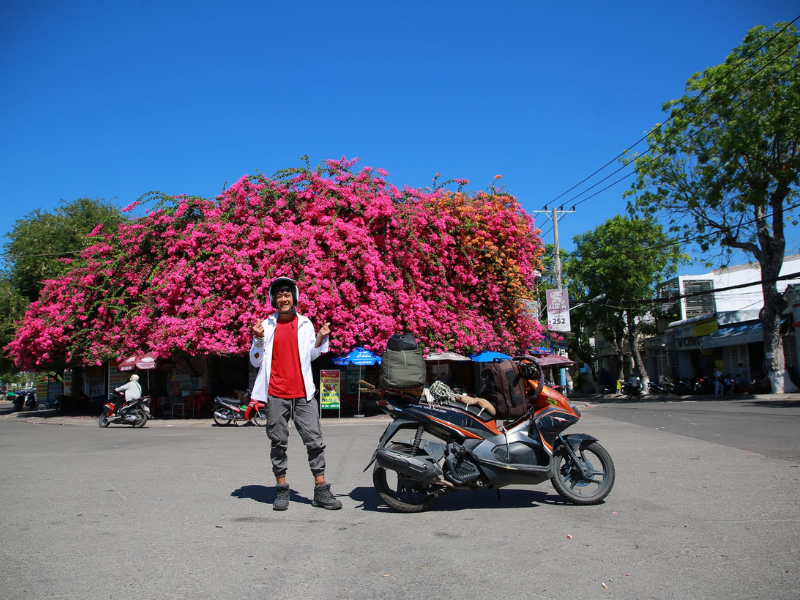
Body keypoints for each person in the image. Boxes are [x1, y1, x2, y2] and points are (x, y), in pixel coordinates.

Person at [250, 277, 340, 511]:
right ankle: (282, 490)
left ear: (294, 297)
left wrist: (321, 337)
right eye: (279, 295)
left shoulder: (305, 323)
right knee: (278, 442)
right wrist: (257, 340)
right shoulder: (265, 326)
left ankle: (321, 490)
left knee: (315, 441)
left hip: (303, 394)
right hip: (275, 393)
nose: (283, 298)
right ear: (273, 299)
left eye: (287, 294)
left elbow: (311, 354)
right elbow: (255, 360)